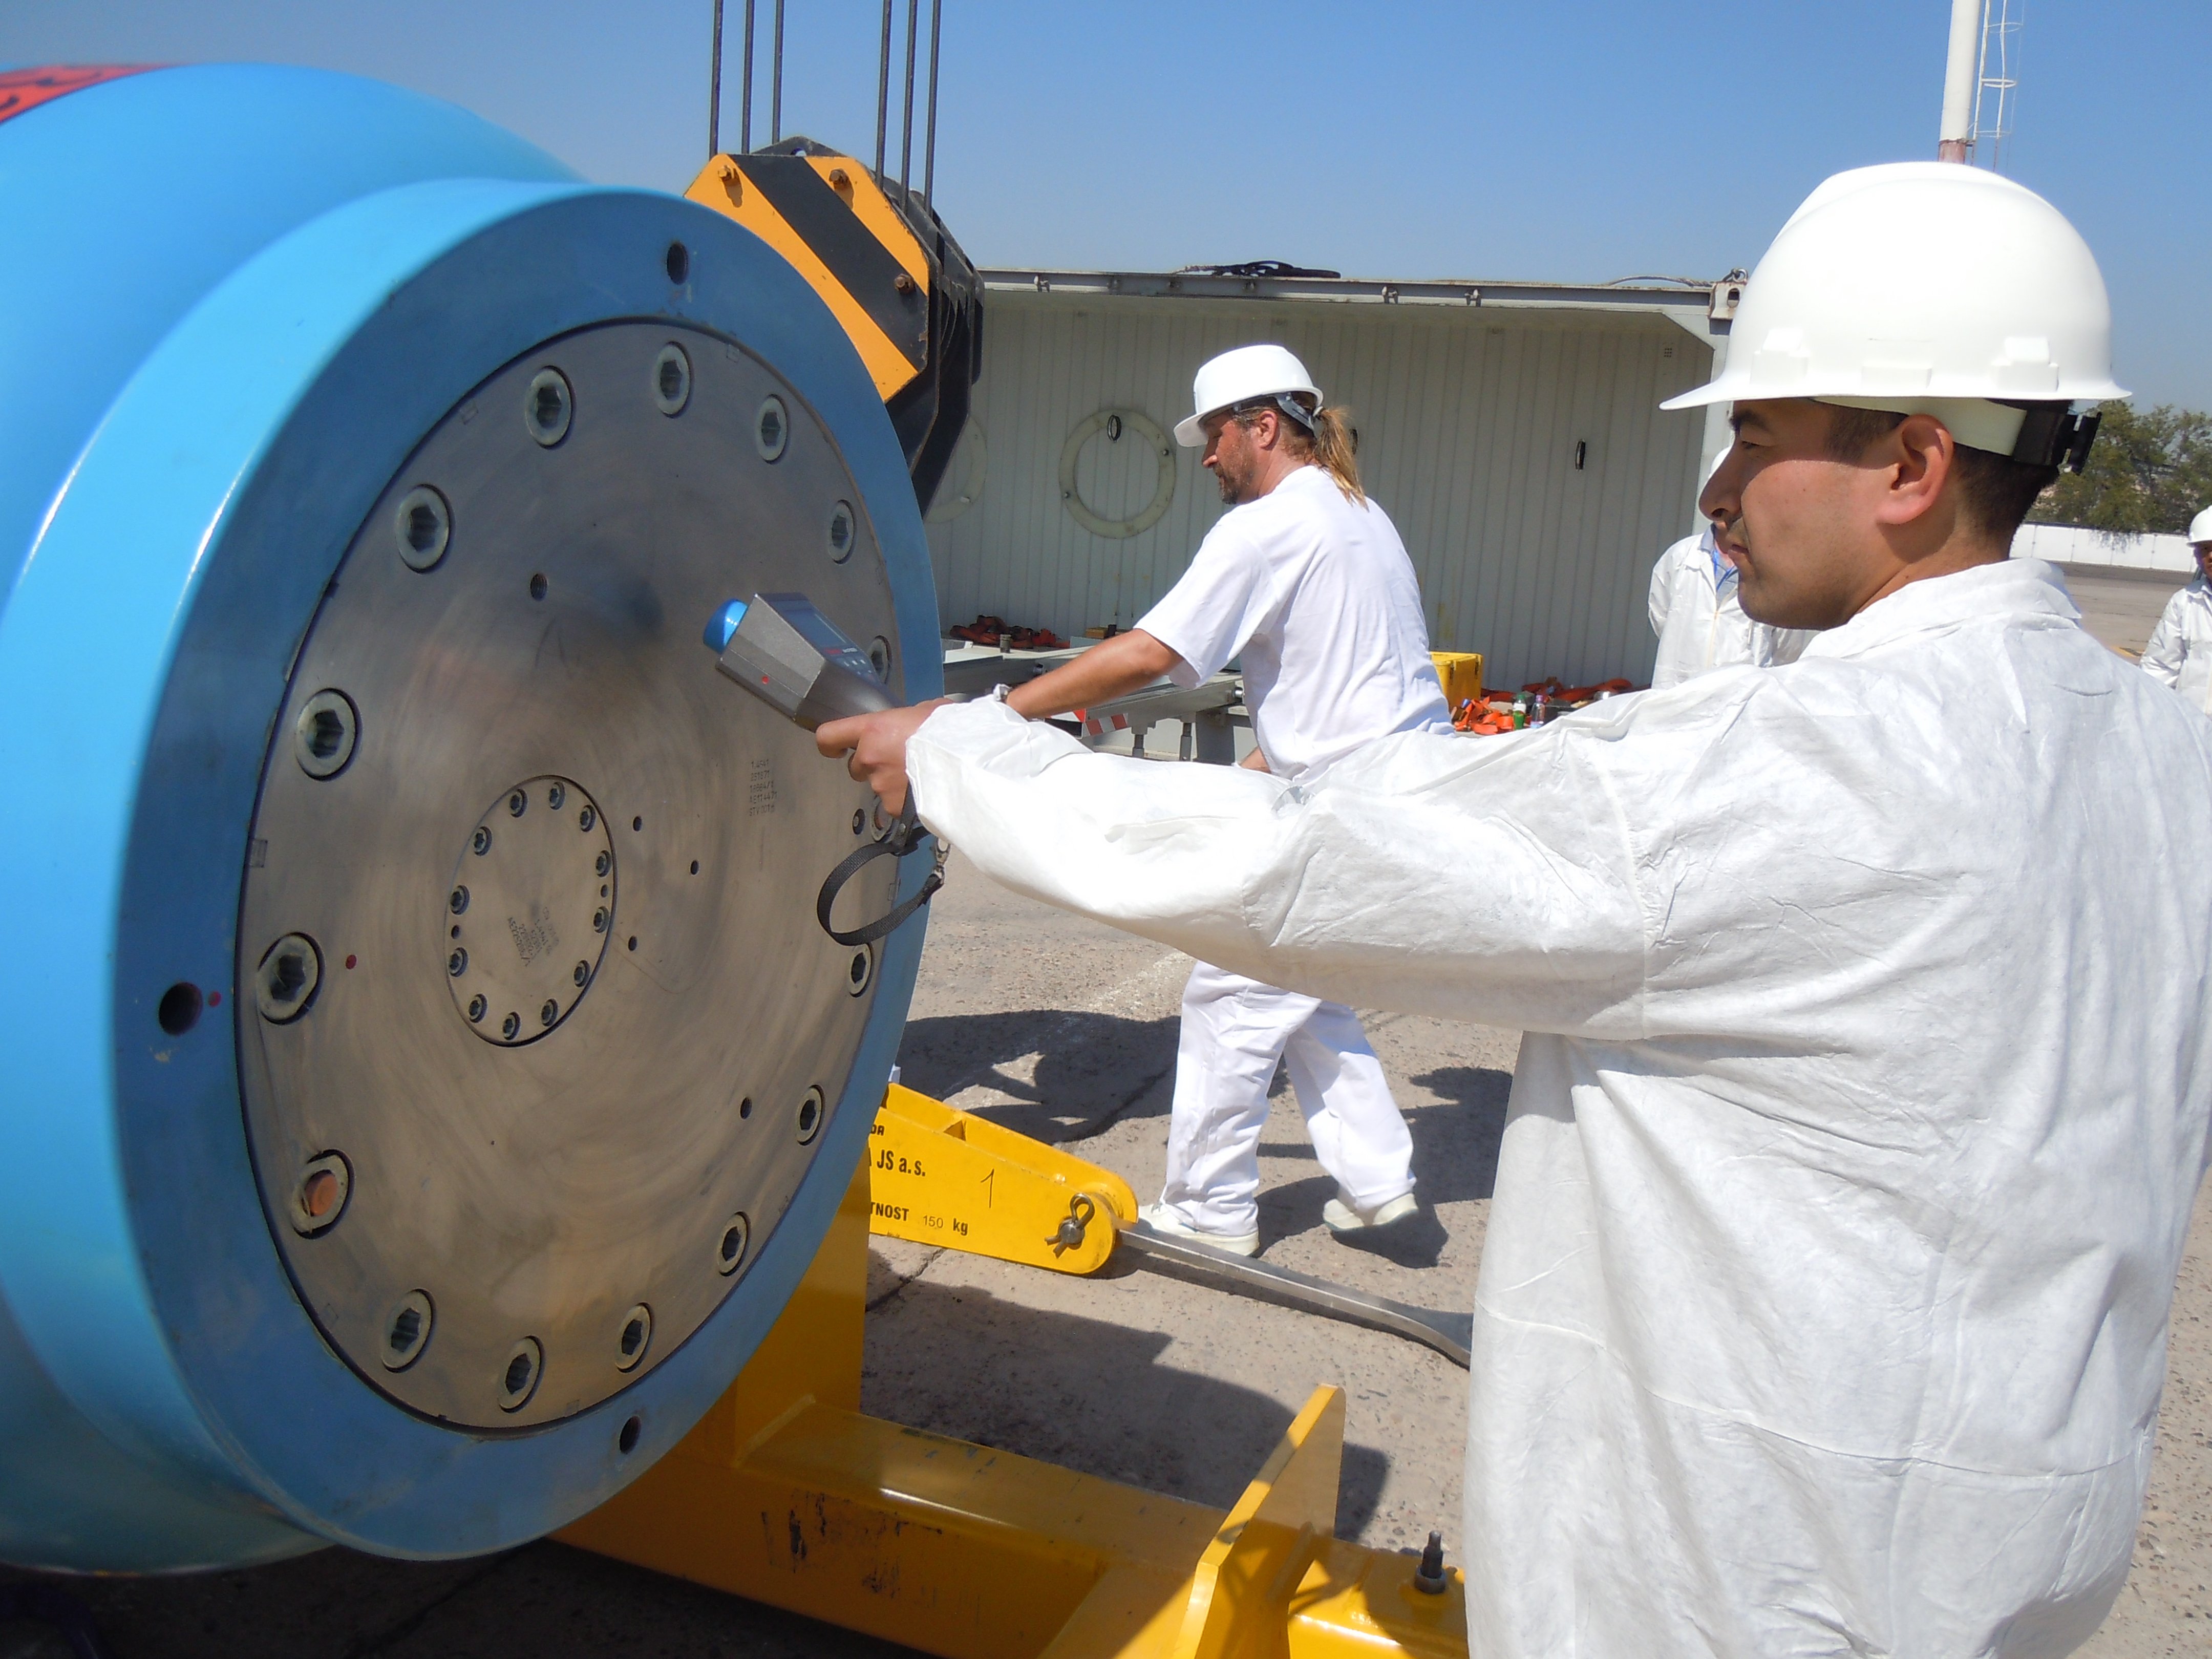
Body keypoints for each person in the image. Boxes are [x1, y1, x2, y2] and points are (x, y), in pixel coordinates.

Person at [824, 163, 2212, 1657]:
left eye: (1752, 433)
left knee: (1266, 983)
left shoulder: (1798, 771)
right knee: (1309, 1016)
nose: (1716, 492)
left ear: (1914, 463)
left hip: (1757, 1583)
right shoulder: (2152, 752)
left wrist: (963, 750)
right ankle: (1362, 1180)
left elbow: (1290, 866)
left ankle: (1225, 1199)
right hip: (2016, 1557)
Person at [932, 343, 1451, 1257]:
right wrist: (1262, 766)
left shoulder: (1271, 526)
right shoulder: (1359, 513)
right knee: (1307, 995)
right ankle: (1377, 1186)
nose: (1206, 456)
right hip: (1393, 794)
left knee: (1230, 991)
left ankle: (1211, 1212)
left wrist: (1000, 711)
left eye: (1214, 435)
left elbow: (1155, 653)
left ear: (1261, 426)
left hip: (1348, 810)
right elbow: (1348, 678)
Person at [1647, 455, 1814, 685]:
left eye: (1740, 495)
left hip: (1741, 703)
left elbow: (1786, 651)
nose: (1727, 506)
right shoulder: (1680, 558)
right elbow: (1661, 617)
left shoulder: (1776, 568)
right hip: (1676, 691)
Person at [2139, 504, 2212, 713]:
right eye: (2204, 548)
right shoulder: (2185, 602)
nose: (2211, 556)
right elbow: (2160, 667)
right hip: (2194, 727)